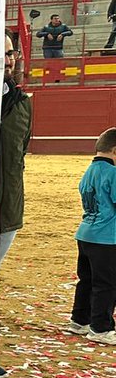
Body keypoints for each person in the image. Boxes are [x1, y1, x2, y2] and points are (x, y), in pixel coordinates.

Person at [0, 31, 31, 377]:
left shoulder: (22, 103)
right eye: (2, 52)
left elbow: (19, 157)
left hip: (6, 212)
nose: (9, 59)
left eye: (11, 53)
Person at [69, 128, 116, 344]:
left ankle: (79, 320)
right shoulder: (113, 173)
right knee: (107, 284)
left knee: (86, 280)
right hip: (106, 238)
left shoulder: (89, 171)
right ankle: (100, 328)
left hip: (86, 234)